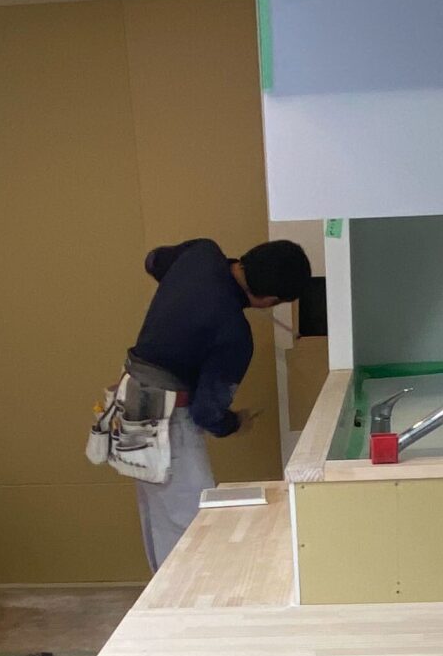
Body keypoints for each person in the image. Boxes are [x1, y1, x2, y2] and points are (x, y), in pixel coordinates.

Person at [122, 236, 312, 569]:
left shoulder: (202, 253)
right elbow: (206, 412)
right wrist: (236, 421)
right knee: (191, 526)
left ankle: (166, 595)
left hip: (132, 401)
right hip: (166, 420)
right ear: (269, 300)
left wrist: (181, 293)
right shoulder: (234, 334)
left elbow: (153, 260)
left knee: (158, 513)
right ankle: (186, 600)